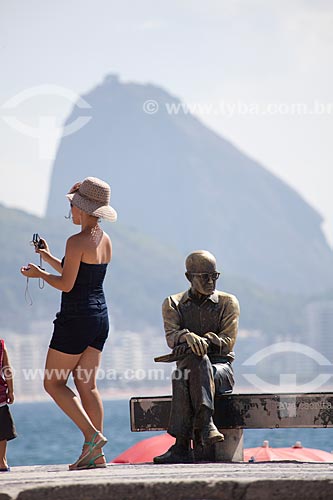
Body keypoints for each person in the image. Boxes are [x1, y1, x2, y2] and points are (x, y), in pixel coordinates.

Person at [20, 177, 117, 470]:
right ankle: (96, 456)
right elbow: (80, 275)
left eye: (72, 207)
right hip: (99, 317)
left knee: (53, 382)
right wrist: (48, 258)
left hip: (75, 318)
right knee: (87, 385)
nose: (71, 213)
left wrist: (39, 276)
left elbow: (66, 284)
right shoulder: (104, 239)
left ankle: (92, 436)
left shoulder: (75, 241)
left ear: (84, 209)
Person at [154, 250, 240, 464]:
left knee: (188, 370)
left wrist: (204, 341)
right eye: (204, 277)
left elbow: (228, 341)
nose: (211, 281)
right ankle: (206, 424)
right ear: (188, 277)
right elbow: (171, 338)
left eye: (214, 276)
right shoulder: (173, 304)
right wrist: (186, 336)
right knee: (189, 368)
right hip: (190, 371)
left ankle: (181, 446)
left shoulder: (228, 303)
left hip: (220, 372)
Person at [0, 339, 17, 472]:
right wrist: (10, 390)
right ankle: (2, 462)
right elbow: (7, 370)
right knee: (2, 431)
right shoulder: (1, 345)